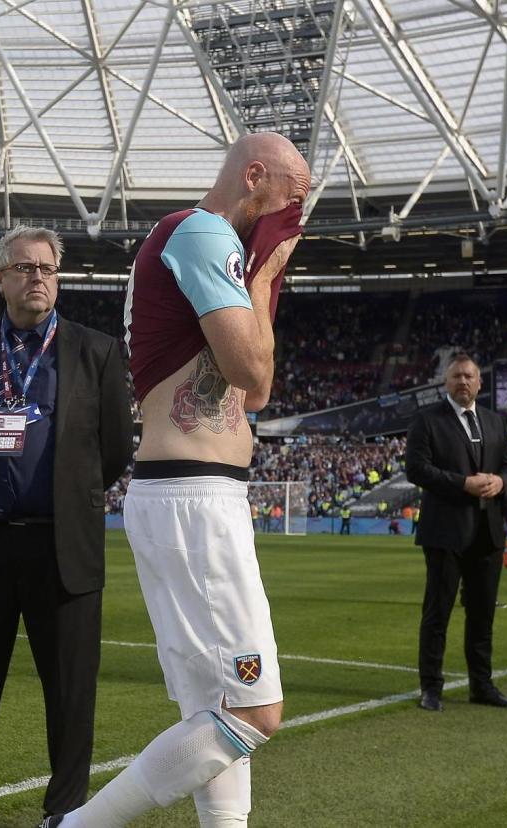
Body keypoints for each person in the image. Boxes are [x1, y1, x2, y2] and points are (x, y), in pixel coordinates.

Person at [50, 133, 309, 828]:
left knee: (215, 709)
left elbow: (252, 395)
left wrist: (262, 280)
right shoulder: (200, 234)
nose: (294, 220)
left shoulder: (199, 241)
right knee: (255, 711)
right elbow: (253, 375)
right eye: (291, 199)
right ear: (255, 176)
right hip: (194, 499)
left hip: (185, 493)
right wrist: (262, 277)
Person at [0, 225, 134, 827]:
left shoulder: (95, 351)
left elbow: (115, 451)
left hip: (60, 546)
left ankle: (64, 811)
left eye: (48, 269)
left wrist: (65, 496)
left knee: (70, 693)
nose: (38, 279)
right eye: (24, 268)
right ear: (0, 278)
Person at [406, 354, 507, 713]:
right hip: (445, 532)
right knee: (437, 612)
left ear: (479, 383)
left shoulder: (494, 421)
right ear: (446, 382)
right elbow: (417, 469)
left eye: (469, 376)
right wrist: (464, 484)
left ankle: (482, 685)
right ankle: (431, 687)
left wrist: (501, 481)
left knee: (483, 612)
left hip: (488, 532)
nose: (463, 381)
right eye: (457, 376)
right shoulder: (427, 421)